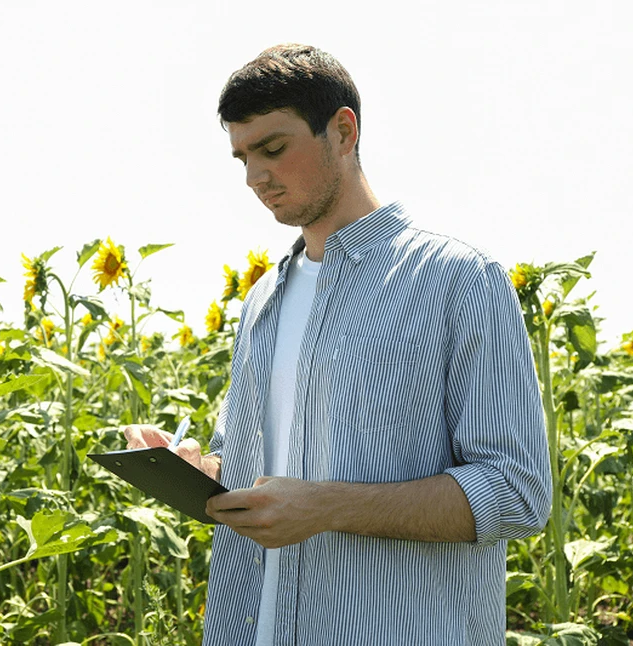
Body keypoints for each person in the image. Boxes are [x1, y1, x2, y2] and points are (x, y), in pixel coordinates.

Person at [123, 44, 551, 646]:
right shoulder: (263, 299)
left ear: (344, 131)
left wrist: (327, 508)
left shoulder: (457, 279)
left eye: (273, 149)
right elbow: (258, 473)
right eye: (243, 158)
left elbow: (517, 492)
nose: (255, 177)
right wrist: (199, 470)